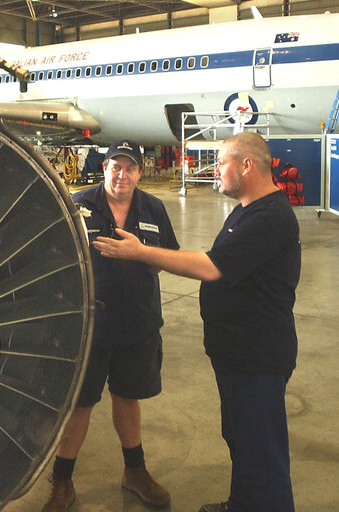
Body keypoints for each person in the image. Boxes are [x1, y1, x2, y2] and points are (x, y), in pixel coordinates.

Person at [93, 132, 300, 512]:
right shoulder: (246, 209)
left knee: (262, 451)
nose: (215, 170)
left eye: (221, 163)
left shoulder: (269, 217)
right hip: (237, 354)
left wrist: (140, 252)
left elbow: (211, 266)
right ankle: (243, 504)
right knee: (242, 440)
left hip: (258, 356)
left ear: (246, 165)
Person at [43, 139, 178, 511]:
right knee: (80, 404)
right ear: (104, 169)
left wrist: (143, 254)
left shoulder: (155, 208)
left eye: (129, 167)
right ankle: (62, 481)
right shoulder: (77, 206)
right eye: (115, 167)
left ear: (139, 172)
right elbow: (53, 257)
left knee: (127, 397)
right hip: (90, 326)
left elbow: (170, 256)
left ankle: (134, 472)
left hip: (138, 323)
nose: (122, 175)